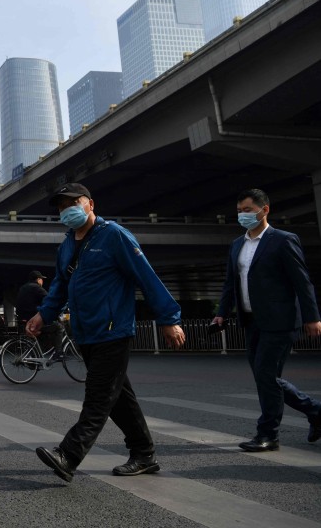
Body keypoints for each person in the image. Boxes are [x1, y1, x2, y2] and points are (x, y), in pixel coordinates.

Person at [27, 183, 185, 483]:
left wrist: (169, 318)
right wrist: (42, 314)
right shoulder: (67, 245)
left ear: (90, 204)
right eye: (61, 206)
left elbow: (145, 275)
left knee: (99, 396)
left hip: (114, 330)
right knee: (119, 397)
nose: (67, 209)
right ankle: (144, 454)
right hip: (85, 332)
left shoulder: (114, 236)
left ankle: (68, 454)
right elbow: (60, 285)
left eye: (73, 202)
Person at [211, 188, 321, 451]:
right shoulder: (237, 244)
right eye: (239, 211)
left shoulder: (283, 240)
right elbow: (230, 283)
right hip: (251, 321)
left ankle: (268, 434)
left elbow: (301, 282)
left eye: (247, 210)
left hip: (280, 321)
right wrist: (221, 313)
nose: (242, 215)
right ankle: (316, 411)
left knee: (266, 375)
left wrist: (312, 316)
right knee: (265, 377)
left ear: (264, 210)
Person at [16, 270, 63, 357]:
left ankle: (35, 358)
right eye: (42, 279)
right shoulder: (37, 288)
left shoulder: (23, 288)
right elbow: (49, 300)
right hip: (33, 320)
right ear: (38, 279)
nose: (42, 281)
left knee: (41, 336)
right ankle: (59, 353)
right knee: (58, 327)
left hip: (22, 319)